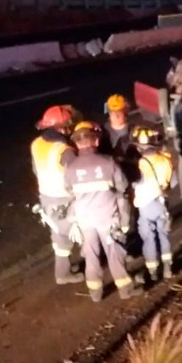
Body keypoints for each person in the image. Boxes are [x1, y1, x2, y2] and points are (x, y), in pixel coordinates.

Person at [64, 122, 142, 302]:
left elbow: (69, 192)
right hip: (108, 217)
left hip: (85, 219)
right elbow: (122, 189)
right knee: (115, 253)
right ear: (96, 142)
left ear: (76, 144)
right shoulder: (109, 162)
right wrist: (124, 220)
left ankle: (95, 293)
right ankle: (125, 290)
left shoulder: (70, 168)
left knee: (91, 255)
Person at [31, 104, 84, 285]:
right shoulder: (64, 150)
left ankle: (63, 272)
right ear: (62, 128)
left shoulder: (36, 144)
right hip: (65, 199)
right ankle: (92, 267)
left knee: (59, 236)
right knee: (85, 232)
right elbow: (76, 176)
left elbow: (35, 170)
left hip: (47, 197)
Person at [131, 126, 176, 281]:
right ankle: (168, 269)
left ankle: (152, 272)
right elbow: (173, 182)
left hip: (145, 207)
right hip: (162, 204)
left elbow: (134, 184)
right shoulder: (166, 159)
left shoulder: (138, 165)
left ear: (138, 146)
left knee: (149, 239)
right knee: (164, 235)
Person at [102, 94, 134, 159]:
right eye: (113, 112)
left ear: (126, 112)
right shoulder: (102, 133)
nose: (116, 116)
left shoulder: (135, 131)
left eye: (119, 112)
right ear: (108, 113)